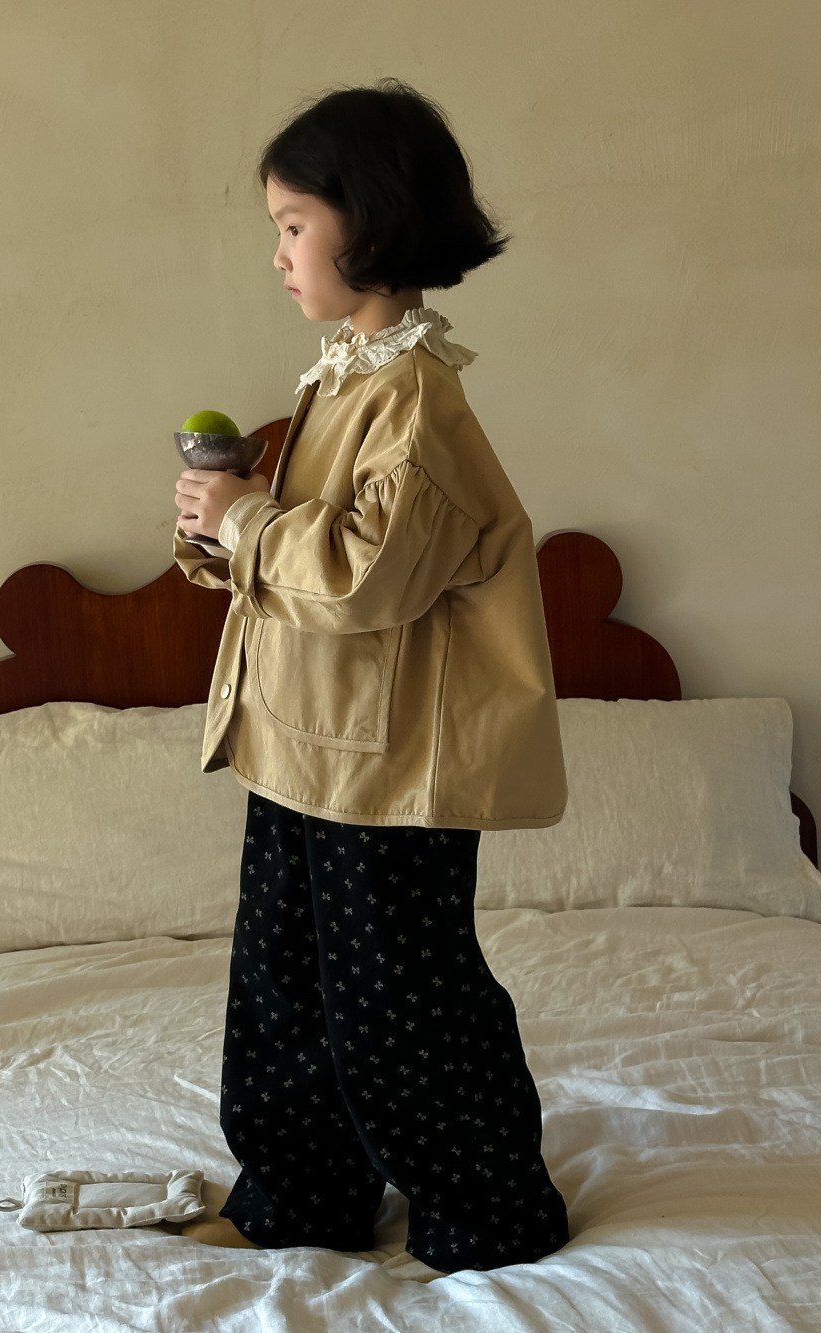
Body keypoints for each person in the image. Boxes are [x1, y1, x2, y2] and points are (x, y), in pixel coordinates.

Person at [172, 78, 569, 1277]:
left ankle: (488, 1208)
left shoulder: (416, 400)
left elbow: (363, 579)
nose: (279, 254)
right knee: (283, 984)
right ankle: (301, 1194)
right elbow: (308, 566)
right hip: (304, 746)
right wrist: (225, 524)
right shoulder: (342, 376)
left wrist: (248, 523)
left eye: (294, 224)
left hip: (388, 770)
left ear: (375, 220)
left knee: (404, 995)